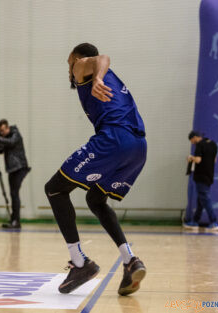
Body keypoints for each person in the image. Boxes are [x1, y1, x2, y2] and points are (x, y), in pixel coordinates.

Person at [44, 43, 147, 296]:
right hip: (138, 147)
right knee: (95, 198)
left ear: (78, 59)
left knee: (55, 189)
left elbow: (102, 56)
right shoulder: (109, 78)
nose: (70, 70)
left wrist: (96, 77)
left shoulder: (84, 69)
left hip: (114, 140)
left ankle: (80, 263)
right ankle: (130, 259)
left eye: (70, 63)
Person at [0, 119, 30, 229]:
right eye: (0, 131)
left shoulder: (15, 134)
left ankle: (16, 221)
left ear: (7, 127)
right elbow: (1, 149)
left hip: (19, 167)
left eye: (3, 130)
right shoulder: (5, 137)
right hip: (12, 169)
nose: (1, 133)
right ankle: (14, 219)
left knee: (14, 194)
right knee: (13, 194)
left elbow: (11, 142)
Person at [183, 131, 218, 231]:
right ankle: (195, 221)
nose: (193, 143)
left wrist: (191, 158)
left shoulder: (199, 145)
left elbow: (198, 160)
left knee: (205, 199)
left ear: (195, 137)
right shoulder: (213, 144)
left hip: (201, 176)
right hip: (209, 175)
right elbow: (215, 159)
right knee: (201, 200)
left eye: (192, 141)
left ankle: (213, 221)